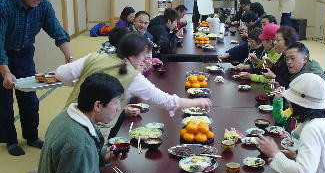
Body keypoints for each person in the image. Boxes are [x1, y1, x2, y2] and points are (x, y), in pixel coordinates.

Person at [29, 73, 139, 173]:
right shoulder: (76, 142)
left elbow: (87, 152)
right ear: (98, 106)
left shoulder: (67, 115)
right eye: (115, 102)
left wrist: (105, 156)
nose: (118, 108)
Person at [55, 32, 211, 139]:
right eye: (144, 56)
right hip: (91, 132)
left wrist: (82, 82)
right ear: (131, 55)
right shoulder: (131, 76)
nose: (146, 60)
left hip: (66, 119)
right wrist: (196, 102)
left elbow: (61, 74)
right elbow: (166, 101)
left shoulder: (95, 57)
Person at [0, 0, 73, 156]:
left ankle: (31, 136)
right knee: (4, 101)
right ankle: (10, 140)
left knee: (30, 97)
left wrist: (69, 58)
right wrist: (6, 72)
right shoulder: (3, 4)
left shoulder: (44, 6)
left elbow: (57, 31)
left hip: (24, 54)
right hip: (2, 56)